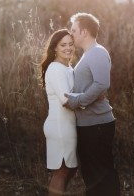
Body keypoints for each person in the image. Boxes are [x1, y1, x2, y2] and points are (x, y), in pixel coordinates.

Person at [64, 12, 120, 196]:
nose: (71, 34)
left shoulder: (97, 52)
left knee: (101, 174)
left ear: (85, 32)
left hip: (98, 124)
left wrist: (77, 101)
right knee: (92, 175)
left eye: (74, 30)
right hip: (89, 124)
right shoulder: (89, 54)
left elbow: (102, 84)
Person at [40, 29, 78, 196]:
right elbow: (66, 100)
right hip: (59, 126)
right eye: (63, 45)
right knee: (61, 172)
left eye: (70, 44)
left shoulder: (68, 67)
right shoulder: (55, 68)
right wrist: (92, 100)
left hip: (68, 126)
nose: (68, 48)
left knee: (70, 168)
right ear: (54, 47)